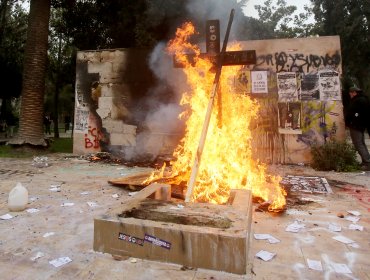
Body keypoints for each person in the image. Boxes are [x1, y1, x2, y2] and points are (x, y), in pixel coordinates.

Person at [345, 86, 370, 171]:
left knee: (358, 144)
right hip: (359, 125)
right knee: (361, 143)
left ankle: (367, 163)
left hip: (356, 126)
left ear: (355, 92)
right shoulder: (362, 99)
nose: (350, 95)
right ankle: (365, 161)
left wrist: (351, 121)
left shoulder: (359, 101)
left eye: (351, 93)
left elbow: (356, 113)